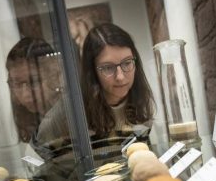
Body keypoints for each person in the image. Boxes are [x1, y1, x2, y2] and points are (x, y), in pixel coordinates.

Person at [36, 23, 155, 154]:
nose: (120, 77)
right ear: (92, 72)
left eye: (127, 63)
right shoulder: (69, 112)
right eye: (108, 68)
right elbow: (41, 155)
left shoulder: (142, 100)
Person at [6, 37, 63, 143]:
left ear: (55, 76)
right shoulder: (32, 120)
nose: (25, 95)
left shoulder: (70, 114)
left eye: (34, 82)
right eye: (17, 84)